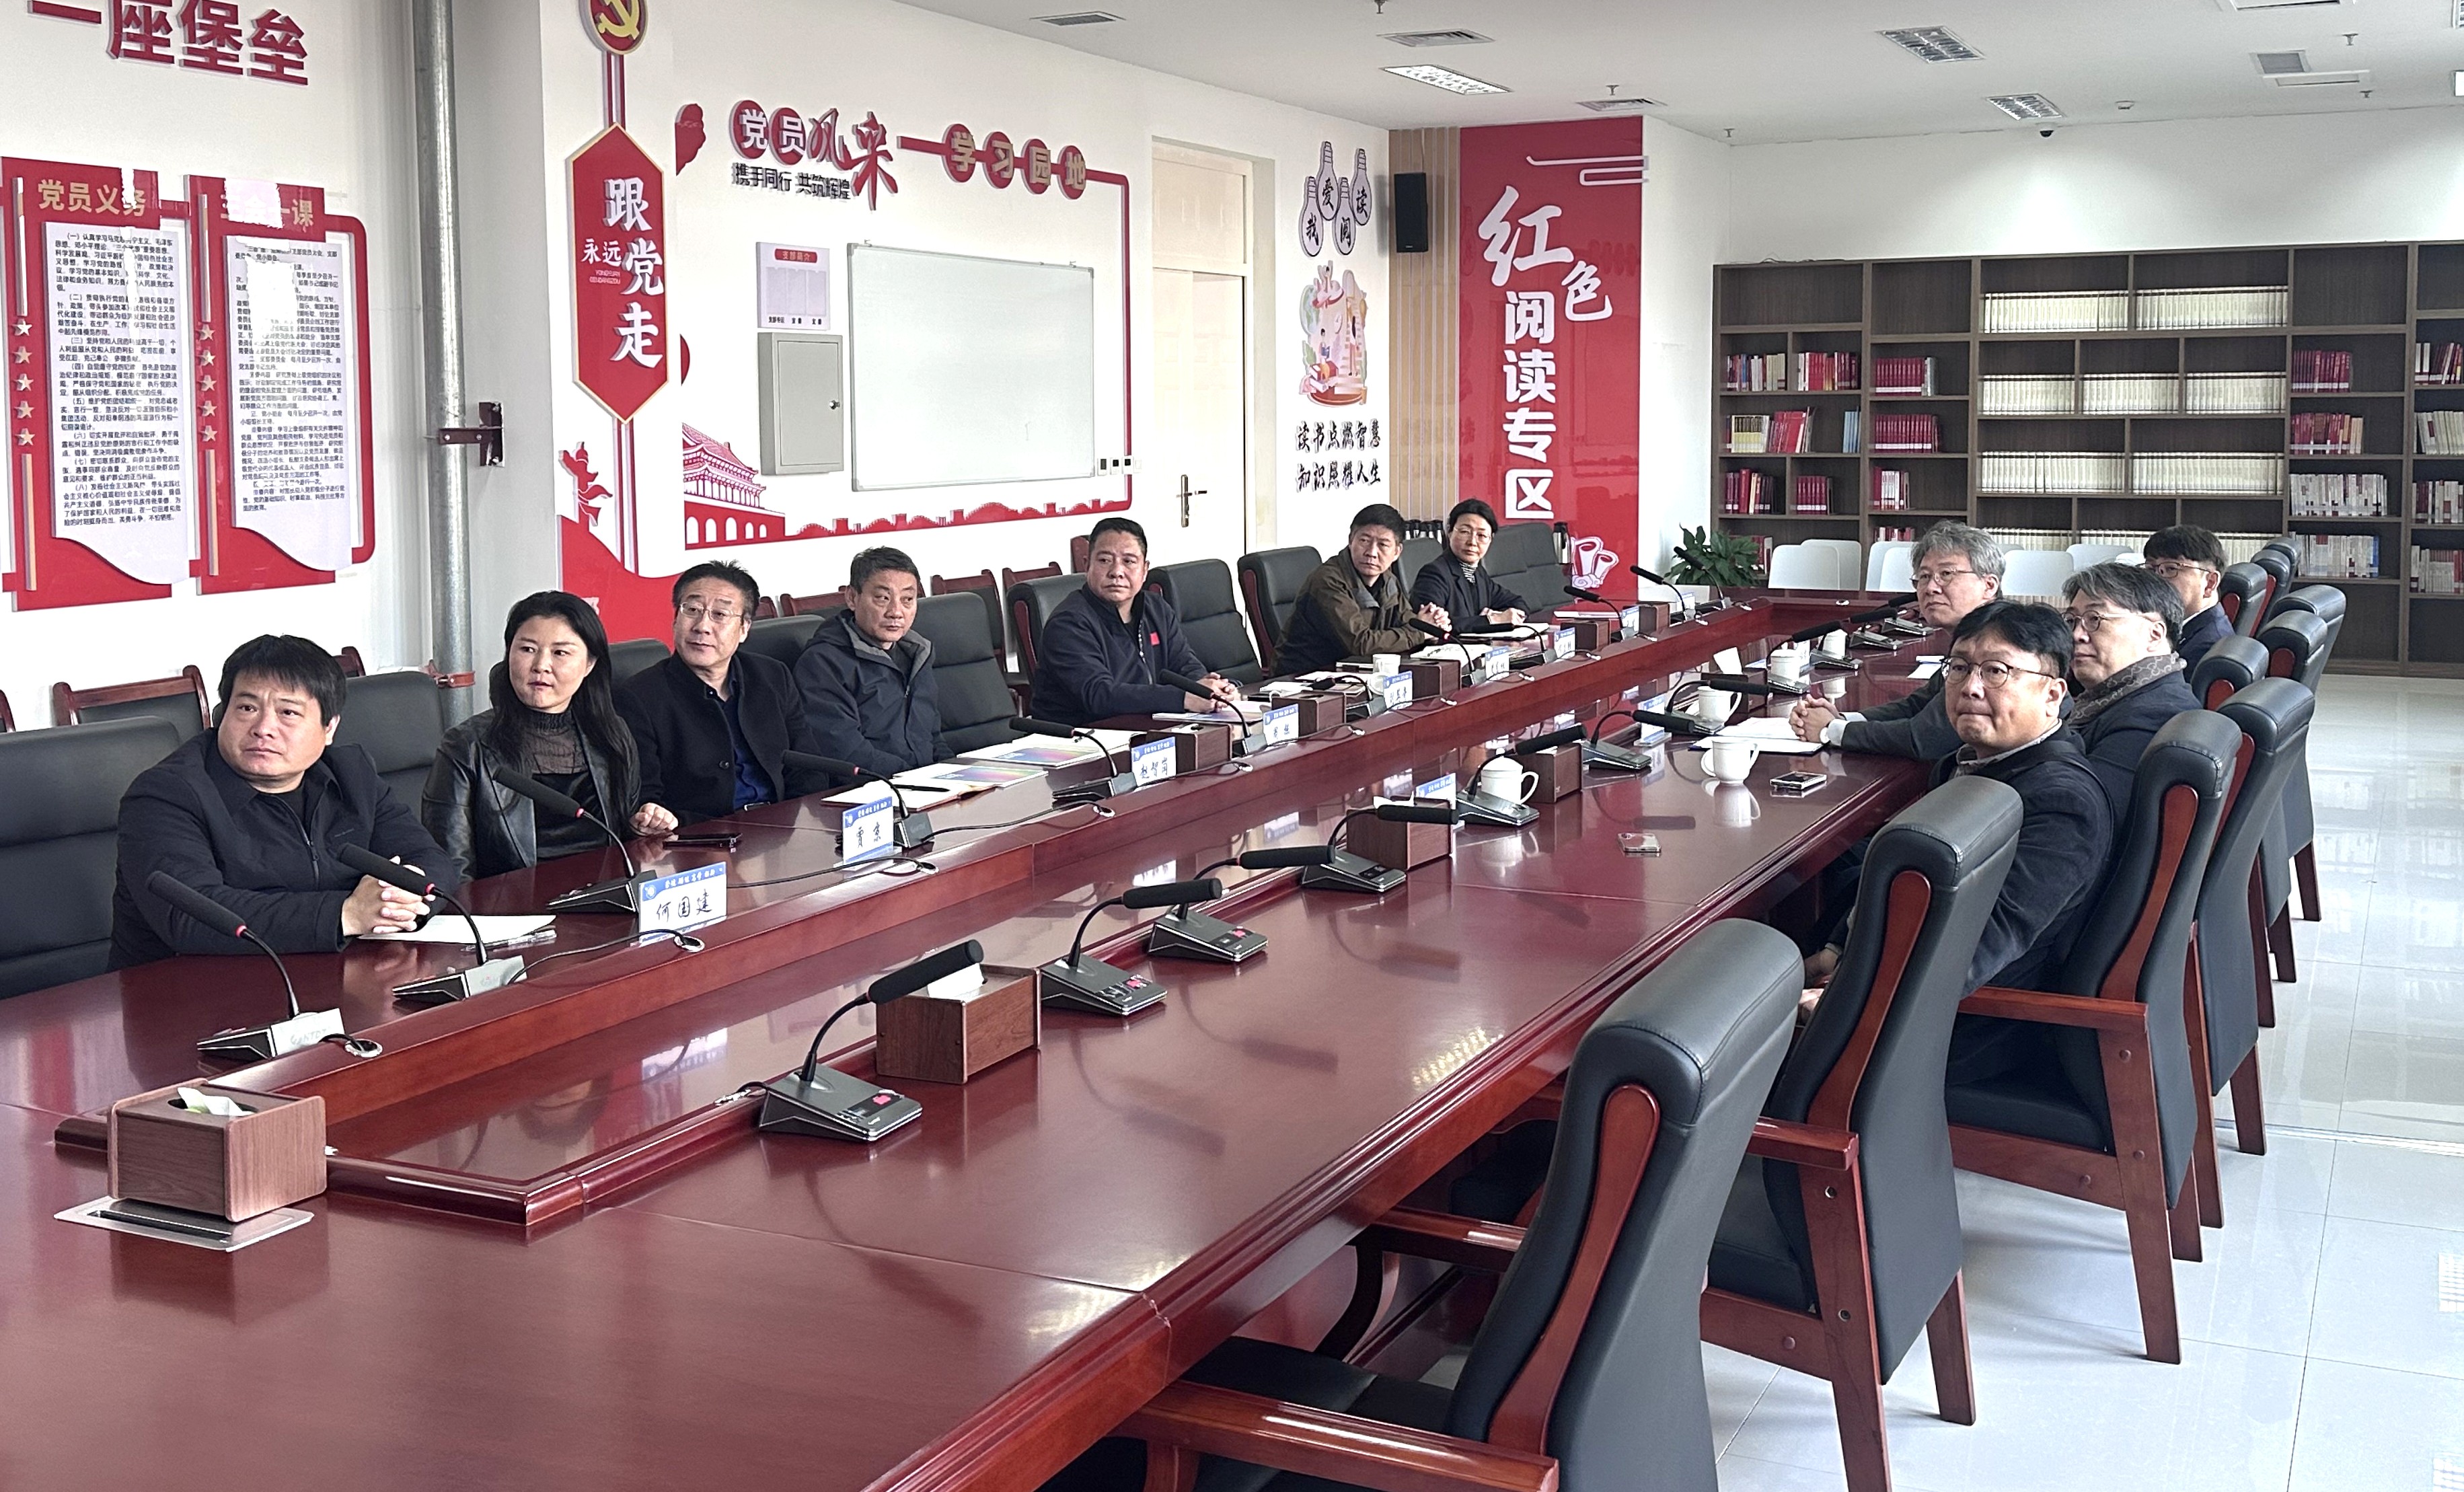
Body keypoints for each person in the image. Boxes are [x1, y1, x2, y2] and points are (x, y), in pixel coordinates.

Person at [1805, 601, 2114, 1004]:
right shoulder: (1965, 762)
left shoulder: (2062, 803)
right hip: (1885, 976)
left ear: (2053, 694)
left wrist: (1851, 998)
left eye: (1996, 672)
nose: (1970, 686)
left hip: (1965, 1024)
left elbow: (1982, 946)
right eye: (1961, 667)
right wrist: (1836, 950)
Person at [110, 635, 459, 966]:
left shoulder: (351, 775)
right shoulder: (166, 795)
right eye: (247, 707)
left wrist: (403, 897)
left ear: (329, 728)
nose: (263, 727)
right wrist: (346, 914)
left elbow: (430, 860)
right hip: (186, 1000)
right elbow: (192, 916)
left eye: (288, 713)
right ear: (222, 715)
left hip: (335, 977)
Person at [424, 591, 675, 881]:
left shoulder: (610, 735)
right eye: (528, 649)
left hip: (604, 904)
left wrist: (643, 826)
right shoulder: (465, 747)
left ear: (589, 665)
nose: (541, 665)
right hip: (512, 915)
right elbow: (452, 873)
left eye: (560, 653)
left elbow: (621, 837)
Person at [618, 560, 833, 824]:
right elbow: (646, 799)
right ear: (675, 620)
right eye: (692, 610)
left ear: (744, 629)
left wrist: (796, 826)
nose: (702, 626)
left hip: (781, 829)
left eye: (720, 615)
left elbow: (808, 766)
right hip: (703, 841)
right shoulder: (640, 697)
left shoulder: (772, 676)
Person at [1790, 520, 2005, 757]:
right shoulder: (1973, 635)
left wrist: (1831, 730)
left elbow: (1923, 739)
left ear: (1989, 585)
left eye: (1946, 574)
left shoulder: (1994, 646)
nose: (1931, 588)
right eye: (1924, 577)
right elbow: (1916, 706)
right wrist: (1842, 718)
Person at [1028, 517, 1243, 727]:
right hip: (1081, 742)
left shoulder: (1155, 608)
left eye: (1129, 562)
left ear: (1145, 570)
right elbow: (1099, 695)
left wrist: (1207, 687)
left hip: (1143, 732)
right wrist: (1183, 698)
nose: (1116, 572)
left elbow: (1184, 663)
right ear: (1087, 566)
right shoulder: (1069, 623)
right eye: (1104, 561)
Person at [2061, 561, 2200, 825]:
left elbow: (2082, 819)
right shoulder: (2145, 693)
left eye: (2095, 620)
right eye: (2072, 621)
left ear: (2154, 634)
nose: (2077, 635)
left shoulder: (2150, 718)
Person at [794, 546, 946, 777]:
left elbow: (932, 736)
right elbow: (845, 750)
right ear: (852, 598)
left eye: (907, 600)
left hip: (923, 785)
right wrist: (917, 778)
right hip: (868, 792)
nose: (896, 612)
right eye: (883, 598)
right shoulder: (823, 662)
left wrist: (955, 773)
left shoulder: (918, 654)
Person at [1275, 502, 1453, 675]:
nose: (1372, 552)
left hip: (1354, 673)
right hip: (1304, 679)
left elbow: (1408, 622)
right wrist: (1420, 633)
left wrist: (1432, 627)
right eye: (1364, 541)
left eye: (1383, 545)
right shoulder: (1328, 580)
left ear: (1397, 552)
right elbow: (1361, 644)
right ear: (1351, 540)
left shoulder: (1388, 579)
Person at [1411, 498, 1526, 628]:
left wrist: (1498, 614)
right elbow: (1433, 626)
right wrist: (1492, 620)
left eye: (1481, 536)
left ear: (1491, 539)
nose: (1472, 542)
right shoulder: (1434, 574)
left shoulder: (1478, 573)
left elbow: (1518, 603)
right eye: (1465, 532)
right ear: (1449, 532)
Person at [2142, 523, 2233, 667]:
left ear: (2210, 583)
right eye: (2151, 569)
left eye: (2171, 569)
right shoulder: (2183, 627)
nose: (2156, 580)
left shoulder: (2204, 651)